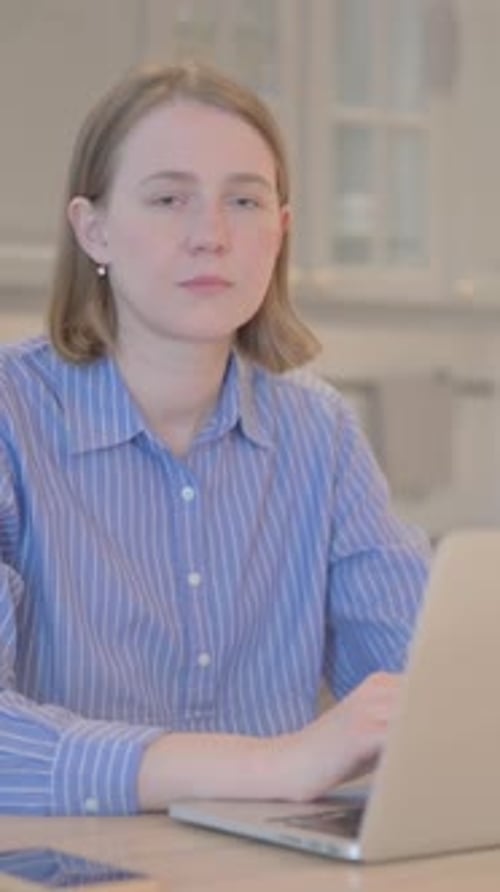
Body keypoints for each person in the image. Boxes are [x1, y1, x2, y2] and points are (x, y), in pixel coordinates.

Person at [0, 61, 430, 816]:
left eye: (245, 200)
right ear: (92, 228)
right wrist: (273, 765)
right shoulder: (11, 418)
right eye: (170, 199)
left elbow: (429, 696)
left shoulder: (322, 434)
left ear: (281, 233)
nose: (213, 235)